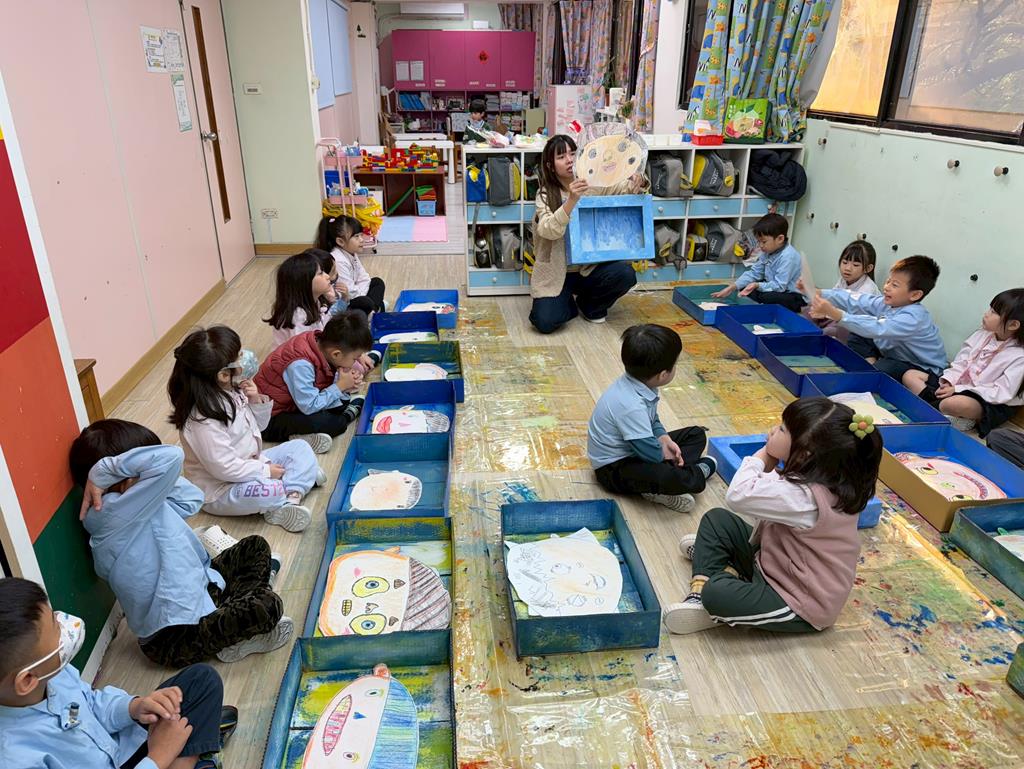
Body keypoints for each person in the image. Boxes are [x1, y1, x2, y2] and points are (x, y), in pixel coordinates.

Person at [69, 420, 292, 667]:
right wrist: (104, 470)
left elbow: (192, 500)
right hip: (174, 635)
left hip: (203, 591)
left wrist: (150, 481)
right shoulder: (109, 511)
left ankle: (240, 617)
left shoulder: (138, 498)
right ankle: (243, 621)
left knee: (255, 546)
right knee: (268, 606)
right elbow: (172, 457)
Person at [663, 398, 883, 635]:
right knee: (717, 520)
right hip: (773, 563)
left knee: (716, 593)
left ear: (804, 454)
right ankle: (709, 583)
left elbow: (738, 495)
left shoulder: (805, 498)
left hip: (797, 601)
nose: (772, 431)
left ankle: (711, 590)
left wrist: (761, 457)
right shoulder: (818, 479)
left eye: (782, 429)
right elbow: (767, 488)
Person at [0, 578, 235, 769]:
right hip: (146, 761)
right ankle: (193, 753)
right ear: (27, 680)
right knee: (182, 731)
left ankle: (191, 748)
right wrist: (159, 758)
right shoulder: (14, 757)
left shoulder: (53, 675)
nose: (65, 624)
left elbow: (91, 704)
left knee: (203, 680)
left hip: (124, 749)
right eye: (56, 627)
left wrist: (134, 707)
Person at [169, 326, 324, 533]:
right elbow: (224, 468)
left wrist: (255, 400)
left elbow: (259, 428)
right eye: (240, 356)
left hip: (250, 462)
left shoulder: (231, 390)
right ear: (223, 374)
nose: (245, 358)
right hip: (221, 489)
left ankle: (293, 491)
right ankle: (296, 485)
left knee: (300, 447)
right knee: (269, 491)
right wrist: (265, 471)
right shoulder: (202, 420)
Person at [589, 324, 716, 513]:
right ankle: (694, 474)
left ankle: (663, 483)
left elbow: (652, 419)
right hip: (613, 468)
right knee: (668, 475)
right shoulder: (630, 405)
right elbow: (649, 453)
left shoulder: (641, 384)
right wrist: (662, 453)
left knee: (696, 434)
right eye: (675, 364)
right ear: (663, 374)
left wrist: (664, 438)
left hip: (637, 447)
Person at [529, 134, 645, 333]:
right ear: (550, 166)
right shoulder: (545, 194)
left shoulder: (594, 183)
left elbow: (624, 189)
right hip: (558, 273)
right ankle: (567, 304)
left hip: (590, 269)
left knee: (625, 274)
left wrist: (638, 180)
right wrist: (571, 200)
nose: (569, 160)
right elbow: (548, 230)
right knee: (545, 322)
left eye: (573, 153)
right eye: (561, 157)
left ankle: (590, 306)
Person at [902, 288, 1024, 435]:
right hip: (957, 386)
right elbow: (961, 362)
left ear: (1013, 325)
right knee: (911, 375)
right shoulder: (982, 334)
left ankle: (934, 410)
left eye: (993, 312)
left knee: (955, 403)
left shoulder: (1019, 357)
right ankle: (939, 411)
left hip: (987, 401)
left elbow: (1000, 393)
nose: (986, 314)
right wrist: (949, 381)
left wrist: (958, 389)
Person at [807, 255, 947, 381]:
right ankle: (871, 366)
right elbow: (856, 299)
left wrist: (835, 314)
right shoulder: (887, 302)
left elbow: (877, 327)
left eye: (894, 285)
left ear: (915, 295)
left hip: (920, 367)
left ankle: (874, 371)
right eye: (888, 281)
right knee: (857, 334)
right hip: (892, 353)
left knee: (886, 367)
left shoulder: (914, 318)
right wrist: (819, 292)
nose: (886, 287)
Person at [254, 311, 372, 453]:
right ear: (336, 354)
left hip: (294, 403)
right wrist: (340, 386)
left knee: (340, 403)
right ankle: (299, 437)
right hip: (269, 419)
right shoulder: (300, 364)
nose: (355, 362)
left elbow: (319, 385)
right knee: (336, 424)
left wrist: (345, 384)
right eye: (355, 358)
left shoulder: (319, 344)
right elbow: (309, 406)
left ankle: (318, 426)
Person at [710, 214, 804, 312]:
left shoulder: (788, 257)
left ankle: (763, 306)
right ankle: (760, 305)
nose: (760, 246)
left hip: (791, 294)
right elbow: (754, 273)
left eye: (764, 242)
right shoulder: (767, 251)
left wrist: (757, 285)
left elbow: (780, 286)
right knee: (744, 288)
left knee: (768, 297)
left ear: (780, 239)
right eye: (759, 242)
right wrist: (732, 287)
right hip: (773, 287)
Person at [315, 215, 386, 315]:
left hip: (358, 293)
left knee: (377, 282)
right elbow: (350, 292)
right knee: (367, 302)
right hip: (344, 302)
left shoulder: (351, 252)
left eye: (361, 235)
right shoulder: (338, 260)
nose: (361, 239)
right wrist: (364, 295)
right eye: (356, 236)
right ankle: (374, 311)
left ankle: (373, 311)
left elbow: (365, 278)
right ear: (340, 241)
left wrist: (362, 292)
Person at [265, 251, 336, 347]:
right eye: (320, 273)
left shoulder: (316, 301)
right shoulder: (298, 316)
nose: (327, 276)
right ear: (305, 282)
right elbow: (301, 350)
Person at [814, 240, 880, 341]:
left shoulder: (868, 289)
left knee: (827, 332)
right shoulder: (843, 280)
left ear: (868, 268)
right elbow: (833, 298)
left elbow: (854, 319)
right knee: (808, 312)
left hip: (854, 327)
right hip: (837, 317)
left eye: (855, 265)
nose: (848, 268)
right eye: (845, 262)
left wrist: (827, 312)